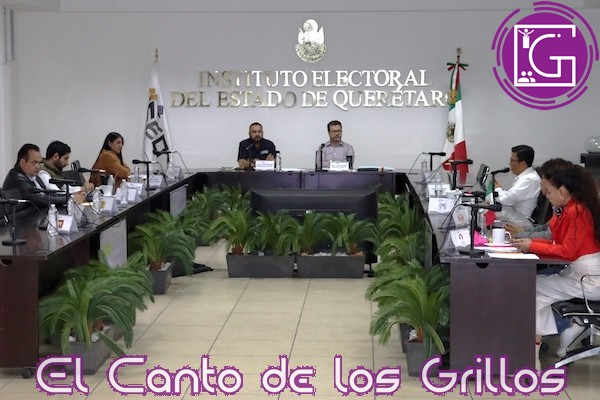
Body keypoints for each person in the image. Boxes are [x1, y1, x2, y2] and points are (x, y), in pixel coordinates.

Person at [512, 164, 600, 369]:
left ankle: (532, 351)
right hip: (581, 275)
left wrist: (531, 245)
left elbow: (567, 251)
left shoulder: (577, 211)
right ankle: (532, 351)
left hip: (590, 280)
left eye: (549, 191)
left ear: (562, 191)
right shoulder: (569, 209)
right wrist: (528, 244)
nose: (546, 195)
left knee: (530, 287)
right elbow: (556, 243)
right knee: (534, 290)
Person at [2, 143, 72, 209]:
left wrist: (69, 197)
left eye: (39, 163)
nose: (38, 167)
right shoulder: (17, 178)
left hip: (36, 213)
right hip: (23, 217)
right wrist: (69, 199)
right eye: (34, 162)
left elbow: (48, 193)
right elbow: (40, 200)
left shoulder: (33, 175)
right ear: (23, 162)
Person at [494, 145, 540, 224]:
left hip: (521, 223)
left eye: (512, 160)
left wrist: (498, 189)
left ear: (522, 163)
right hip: (514, 217)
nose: (509, 163)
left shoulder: (529, 180)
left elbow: (505, 200)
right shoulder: (525, 177)